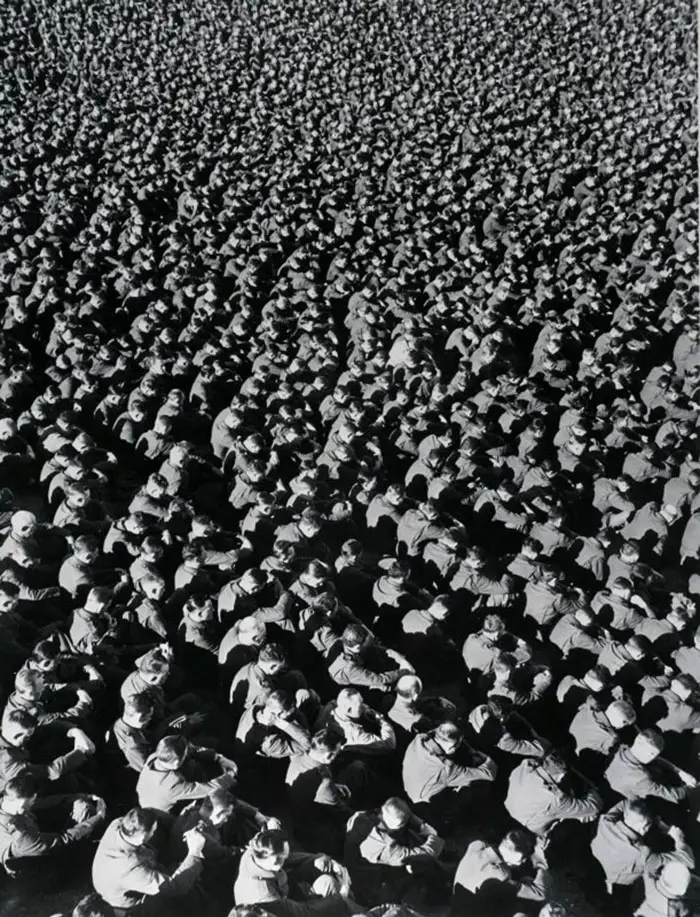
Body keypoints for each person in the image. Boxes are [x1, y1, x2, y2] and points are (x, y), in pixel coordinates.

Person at [92, 806, 207, 912]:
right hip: (128, 903)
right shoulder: (131, 868)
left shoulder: (118, 824)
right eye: (153, 830)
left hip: (111, 876)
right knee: (183, 897)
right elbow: (173, 888)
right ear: (142, 838)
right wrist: (194, 853)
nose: (155, 832)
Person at [344, 797, 445, 907]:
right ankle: (429, 891)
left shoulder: (364, 815)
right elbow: (426, 853)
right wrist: (432, 835)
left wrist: (420, 825)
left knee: (411, 836)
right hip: (373, 890)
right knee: (416, 863)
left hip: (364, 871)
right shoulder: (385, 845)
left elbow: (405, 816)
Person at [0, 773, 106, 874]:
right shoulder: (19, 833)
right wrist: (98, 818)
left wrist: (82, 796)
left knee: (80, 805)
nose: (25, 807)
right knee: (84, 813)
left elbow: (46, 802)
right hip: (32, 870)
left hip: (36, 843)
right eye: (26, 804)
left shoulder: (9, 803)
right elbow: (62, 840)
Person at [452, 829, 551, 917]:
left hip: (460, 907)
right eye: (522, 859)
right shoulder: (500, 876)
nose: (523, 861)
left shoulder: (477, 845)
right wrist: (540, 863)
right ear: (516, 858)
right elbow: (539, 893)